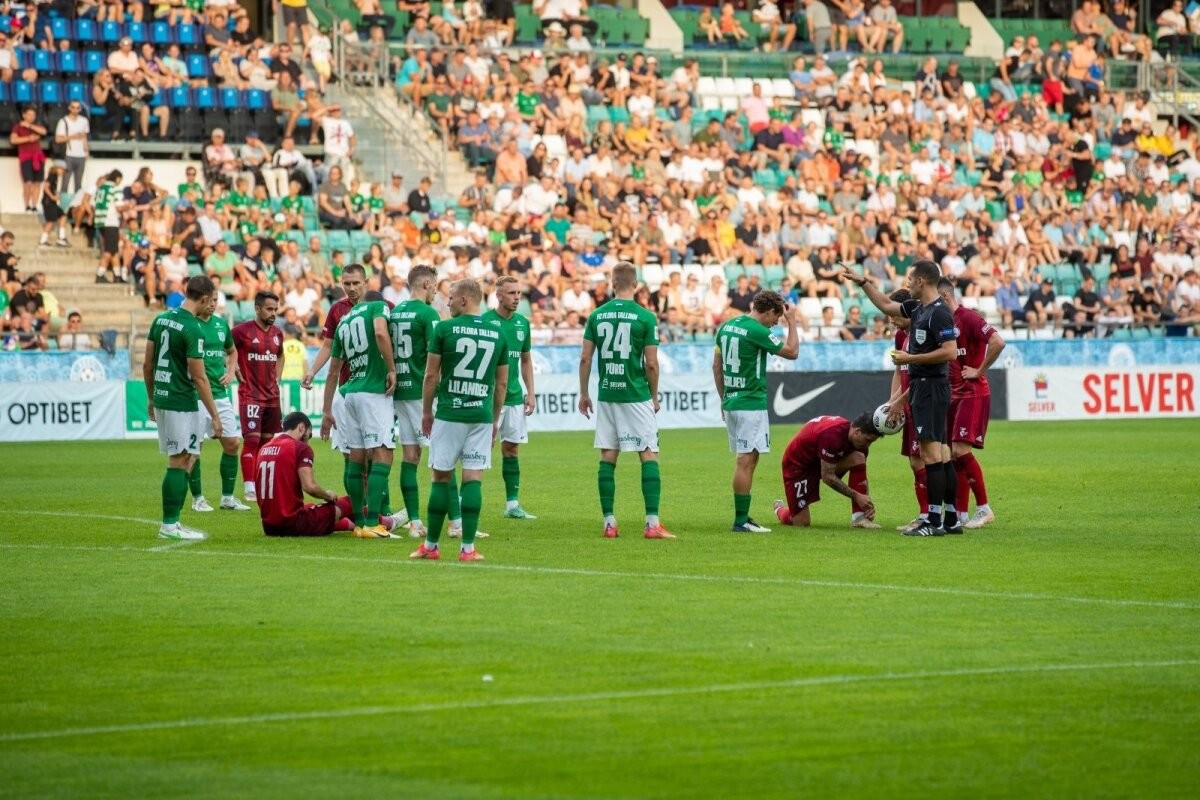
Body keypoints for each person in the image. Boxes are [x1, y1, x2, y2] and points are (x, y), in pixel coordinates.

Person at [843, 259, 960, 536]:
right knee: (941, 454)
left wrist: (912, 358)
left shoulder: (939, 313)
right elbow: (885, 304)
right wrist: (863, 283)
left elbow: (951, 352)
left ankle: (933, 521)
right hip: (923, 388)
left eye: (910, 279)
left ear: (921, 281)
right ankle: (951, 518)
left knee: (932, 455)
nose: (907, 284)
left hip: (931, 387)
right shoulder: (917, 308)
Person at [411, 279, 508, 562]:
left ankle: (431, 546)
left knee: (440, 476)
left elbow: (431, 376)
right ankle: (468, 549)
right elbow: (501, 385)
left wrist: (427, 411)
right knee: (473, 478)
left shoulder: (444, 329)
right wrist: (493, 420)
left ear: (465, 299)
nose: (447, 302)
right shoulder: (497, 333)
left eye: (451, 297)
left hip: (450, 413)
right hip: (481, 415)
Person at [577, 262, 672, 540]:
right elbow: (652, 363)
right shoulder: (646, 317)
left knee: (608, 455)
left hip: (607, 394)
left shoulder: (596, 315)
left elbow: (585, 358)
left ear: (612, 283)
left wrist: (584, 393)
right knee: (648, 453)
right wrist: (654, 396)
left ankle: (609, 522)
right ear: (636, 285)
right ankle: (652, 524)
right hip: (636, 394)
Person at [143, 275, 223, 540]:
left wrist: (152, 398)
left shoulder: (161, 319)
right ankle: (169, 525)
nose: (210, 305)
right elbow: (199, 378)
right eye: (210, 300)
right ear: (202, 299)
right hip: (181, 399)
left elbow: (147, 364)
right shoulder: (193, 328)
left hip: (163, 396)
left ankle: (173, 523)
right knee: (179, 460)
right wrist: (214, 415)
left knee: (187, 457)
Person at [713, 290, 799, 533]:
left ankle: (743, 518)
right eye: (776, 318)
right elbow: (792, 352)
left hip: (731, 401)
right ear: (769, 311)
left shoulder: (727, 327)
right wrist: (792, 322)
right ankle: (741, 520)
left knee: (748, 458)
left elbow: (716, 366)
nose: (776, 323)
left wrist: (723, 398)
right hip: (750, 402)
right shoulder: (757, 331)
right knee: (746, 460)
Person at [320, 269, 397, 538]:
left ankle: (361, 523)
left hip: (347, 393)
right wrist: (392, 368)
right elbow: (379, 333)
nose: (351, 288)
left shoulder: (343, 321)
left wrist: (326, 410)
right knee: (383, 453)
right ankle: (375, 522)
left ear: (364, 284)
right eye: (347, 283)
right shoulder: (378, 306)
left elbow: (332, 371)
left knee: (356, 457)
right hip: (372, 393)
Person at [937, 278, 1004, 530]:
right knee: (954, 456)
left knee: (959, 451)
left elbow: (998, 341)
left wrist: (979, 370)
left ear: (944, 297)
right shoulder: (944, 322)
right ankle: (961, 514)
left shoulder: (969, 318)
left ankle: (984, 508)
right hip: (953, 395)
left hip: (972, 393)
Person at [388, 264, 442, 540]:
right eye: (435, 285)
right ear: (425, 285)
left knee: (410, 457)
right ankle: (457, 523)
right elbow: (438, 356)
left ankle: (416, 523)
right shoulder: (428, 314)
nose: (436, 290)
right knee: (441, 459)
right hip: (423, 394)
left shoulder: (394, 312)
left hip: (400, 392)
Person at [190, 288, 253, 513]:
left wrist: (230, 369)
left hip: (220, 394)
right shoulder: (190, 324)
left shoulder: (219, 325)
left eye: (216, 300)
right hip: (194, 396)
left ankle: (227, 498)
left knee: (232, 443)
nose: (213, 304)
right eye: (209, 300)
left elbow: (232, 351)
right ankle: (197, 499)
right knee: (193, 449)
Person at [483, 275, 538, 520]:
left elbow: (526, 359)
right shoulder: (484, 322)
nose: (517, 298)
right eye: (511, 293)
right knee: (480, 449)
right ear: (498, 295)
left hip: (514, 396)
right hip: (487, 397)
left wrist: (531, 393)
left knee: (512, 449)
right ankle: (464, 501)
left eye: (519, 293)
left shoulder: (522, 324)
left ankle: (512, 505)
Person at [256, 412, 359, 536]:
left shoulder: (264, 448)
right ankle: (384, 522)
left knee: (310, 506)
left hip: (269, 527)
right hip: (293, 524)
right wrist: (327, 495)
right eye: (308, 436)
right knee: (350, 501)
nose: (307, 442)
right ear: (301, 427)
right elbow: (309, 487)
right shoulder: (299, 447)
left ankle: (349, 525)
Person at [772, 413, 881, 529]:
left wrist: (866, 504)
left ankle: (859, 518)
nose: (868, 445)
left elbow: (861, 475)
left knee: (858, 457)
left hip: (821, 461)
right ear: (857, 431)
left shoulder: (860, 445)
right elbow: (827, 476)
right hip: (798, 466)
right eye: (867, 440)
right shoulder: (832, 436)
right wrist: (857, 496)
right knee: (801, 522)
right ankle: (780, 509)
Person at [882, 289, 928, 532]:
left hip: (923, 401)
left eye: (894, 313)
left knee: (925, 459)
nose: (891, 319)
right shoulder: (902, 336)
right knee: (915, 460)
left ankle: (931, 515)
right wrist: (893, 401)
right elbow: (898, 371)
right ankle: (928, 514)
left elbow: (922, 375)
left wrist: (900, 401)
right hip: (908, 403)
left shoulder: (922, 334)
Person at [232, 291, 284, 502]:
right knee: (251, 440)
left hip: (272, 397)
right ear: (257, 308)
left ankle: (261, 484)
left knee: (267, 442)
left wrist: (278, 378)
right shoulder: (240, 331)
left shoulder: (278, 334)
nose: (273, 313)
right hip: (250, 395)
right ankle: (249, 487)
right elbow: (226, 350)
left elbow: (280, 356)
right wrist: (233, 368)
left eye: (275, 310)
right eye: (269, 309)